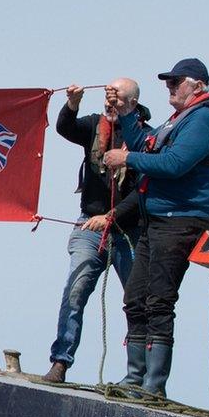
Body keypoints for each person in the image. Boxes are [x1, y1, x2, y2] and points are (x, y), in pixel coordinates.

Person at [102, 58, 209, 397]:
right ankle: (135, 379)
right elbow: (146, 144)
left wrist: (125, 159)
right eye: (168, 83)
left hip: (181, 220)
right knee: (136, 297)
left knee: (158, 300)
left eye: (176, 82)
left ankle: (153, 386)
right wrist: (127, 112)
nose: (170, 87)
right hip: (158, 220)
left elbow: (174, 165)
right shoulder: (180, 120)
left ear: (197, 85)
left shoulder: (204, 121)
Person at [44, 79, 151, 382]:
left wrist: (112, 215)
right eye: (107, 100)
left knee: (137, 301)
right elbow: (65, 128)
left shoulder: (146, 138)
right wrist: (72, 104)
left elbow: (143, 190)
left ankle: (137, 377)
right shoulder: (94, 125)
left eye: (116, 100)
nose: (110, 106)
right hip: (89, 225)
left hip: (130, 231)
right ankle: (60, 362)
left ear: (131, 103)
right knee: (75, 289)